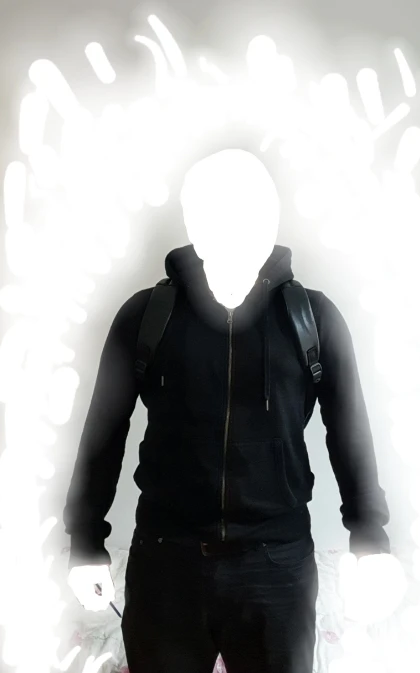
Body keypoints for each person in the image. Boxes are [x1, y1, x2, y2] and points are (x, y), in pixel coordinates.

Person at [63, 149, 391, 673]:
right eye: (216, 210)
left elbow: (349, 431)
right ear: (193, 221)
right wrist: (84, 540)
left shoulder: (313, 318)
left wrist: (370, 538)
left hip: (276, 565)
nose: (236, 227)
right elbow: (103, 433)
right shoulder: (146, 316)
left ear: (273, 218)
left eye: (252, 210)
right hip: (166, 560)